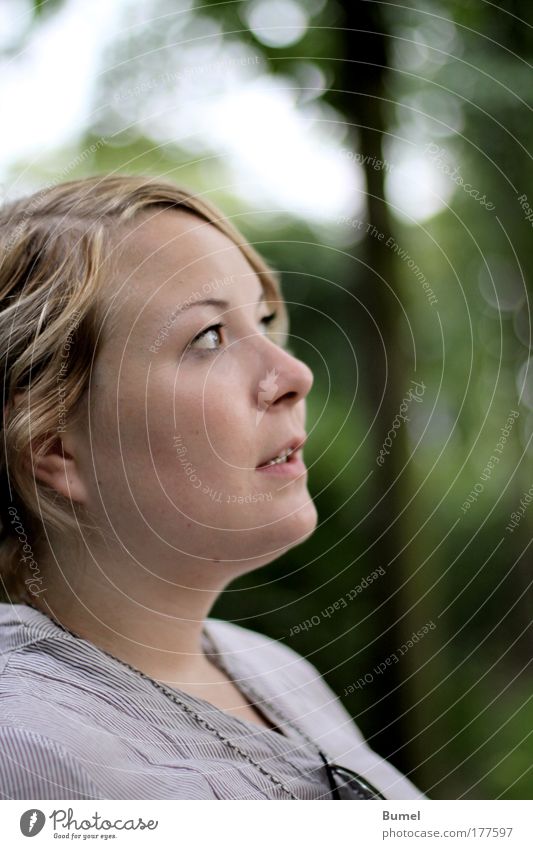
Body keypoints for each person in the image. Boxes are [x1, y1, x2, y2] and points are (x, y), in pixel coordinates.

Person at [0, 174, 425, 800]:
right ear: (57, 449)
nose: (294, 373)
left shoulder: (274, 672)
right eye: (208, 338)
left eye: (263, 320)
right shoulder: (32, 752)